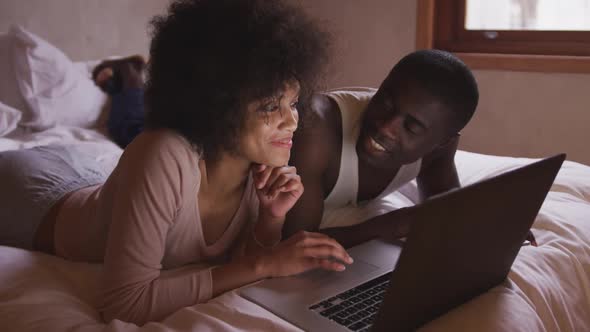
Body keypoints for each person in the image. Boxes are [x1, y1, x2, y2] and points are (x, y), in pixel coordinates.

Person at [0, 0, 354, 326]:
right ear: (218, 104)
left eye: (292, 103)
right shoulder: (163, 153)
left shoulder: (256, 163)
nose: (291, 122)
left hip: (88, 175)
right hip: (33, 196)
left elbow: (240, 264)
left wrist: (270, 218)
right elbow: (123, 304)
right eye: (269, 106)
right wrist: (267, 262)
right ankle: (126, 81)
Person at [283, 50, 486, 248]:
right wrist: (386, 227)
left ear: (442, 142)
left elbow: (447, 215)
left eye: (411, 127)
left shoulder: (440, 149)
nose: (386, 127)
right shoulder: (316, 127)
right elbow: (295, 244)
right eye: (385, 103)